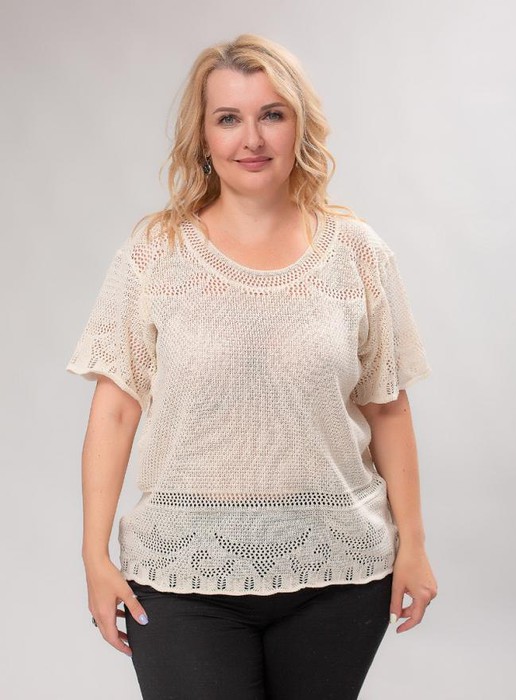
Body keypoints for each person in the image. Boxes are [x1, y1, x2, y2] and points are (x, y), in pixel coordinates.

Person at [66, 33, 438, 700]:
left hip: (339, 572)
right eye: (228, 118)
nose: (252, 138)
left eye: (272, 114)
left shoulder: (357, 254)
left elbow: (387, 406)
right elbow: (116, 409)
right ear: (203, 136)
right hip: (181, 572)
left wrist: (413, 545)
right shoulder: (154, 255)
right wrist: (94, 555)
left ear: (299, 125)